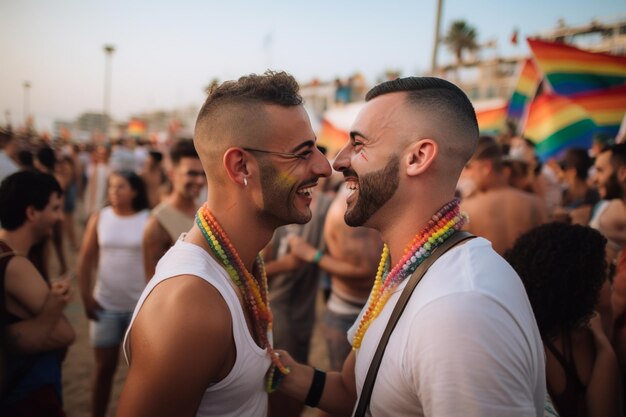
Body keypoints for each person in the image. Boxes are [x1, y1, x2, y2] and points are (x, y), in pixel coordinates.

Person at [277, 77, 545, 416]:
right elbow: (355, 392)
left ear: (417, 157)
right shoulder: (409, 266)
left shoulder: (459, 309)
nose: (338, 161)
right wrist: (270, 369)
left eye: (358, 144)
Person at [115, 71, 332, 417]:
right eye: (303, 153)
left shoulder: (242, 264)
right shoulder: (188, 305)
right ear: (240, 165)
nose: (324, 167)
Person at [505, 223, 619, 417]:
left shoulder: (516, 334)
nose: (612, 283)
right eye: (606, 274)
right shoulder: (586, 341)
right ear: (582, 286)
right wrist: (604, 347)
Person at [0, 170, 75, 415]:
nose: (60, 217)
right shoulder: (15, 265)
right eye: (54, 208)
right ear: (31, 213)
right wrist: (53, 307)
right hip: (27, 398)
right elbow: (65, 334)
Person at [77, 171, 150, 417]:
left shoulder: (147, 219)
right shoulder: (100, 218)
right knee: (104, 369)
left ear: (135, 191)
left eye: (120, 187)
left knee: (140, 374)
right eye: (111, 187)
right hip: (105, 305)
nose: (113, 192)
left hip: (139, 308)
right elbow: (85, 258)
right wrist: (86, 295)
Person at [461, 136, 547, 255]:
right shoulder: (535, 203)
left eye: (469, 167)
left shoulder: (467, 209)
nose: (467, 174)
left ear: (486, 168)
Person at [142, 139, 205, 281]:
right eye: (192, 174)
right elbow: (153, 282)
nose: (200, 181)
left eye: (203, 174)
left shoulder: (204, 211)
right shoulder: (157, 223)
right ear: (171, 174)